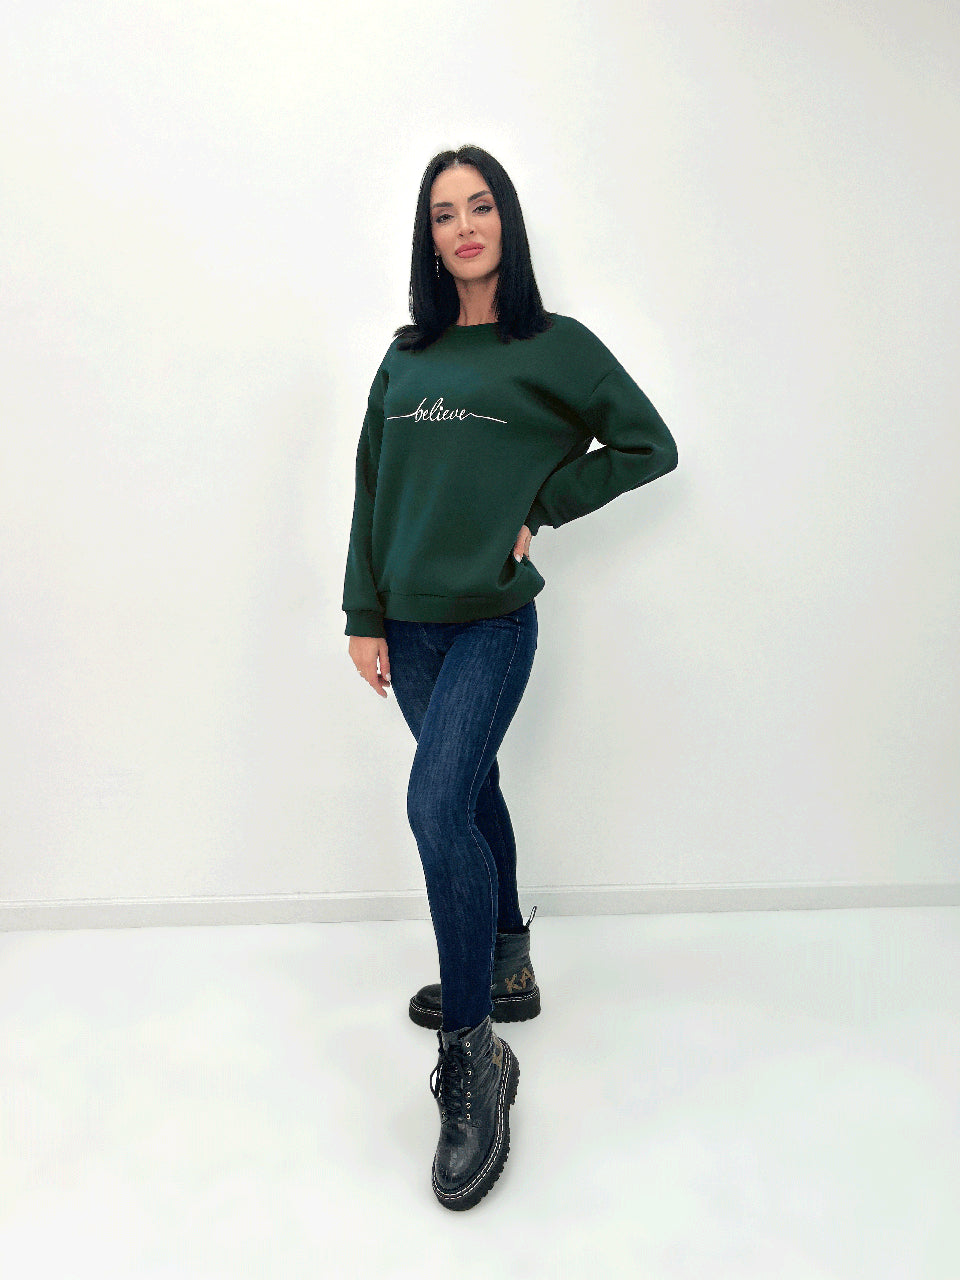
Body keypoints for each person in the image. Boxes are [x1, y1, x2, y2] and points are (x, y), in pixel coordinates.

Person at [342, 144, 678, 1211]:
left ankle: (474, 1051)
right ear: (429, 238)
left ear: (507, 221)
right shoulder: (407, 357)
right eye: (444, 214)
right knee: (471, 792)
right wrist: (362, 612)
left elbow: (648, 445)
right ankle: (507, 967)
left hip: (493, 621)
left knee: (436, 803)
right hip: (409, 627)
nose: (465, 227)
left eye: (480, 205)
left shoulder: (553, 347)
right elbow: (370, 485)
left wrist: (543, 508)